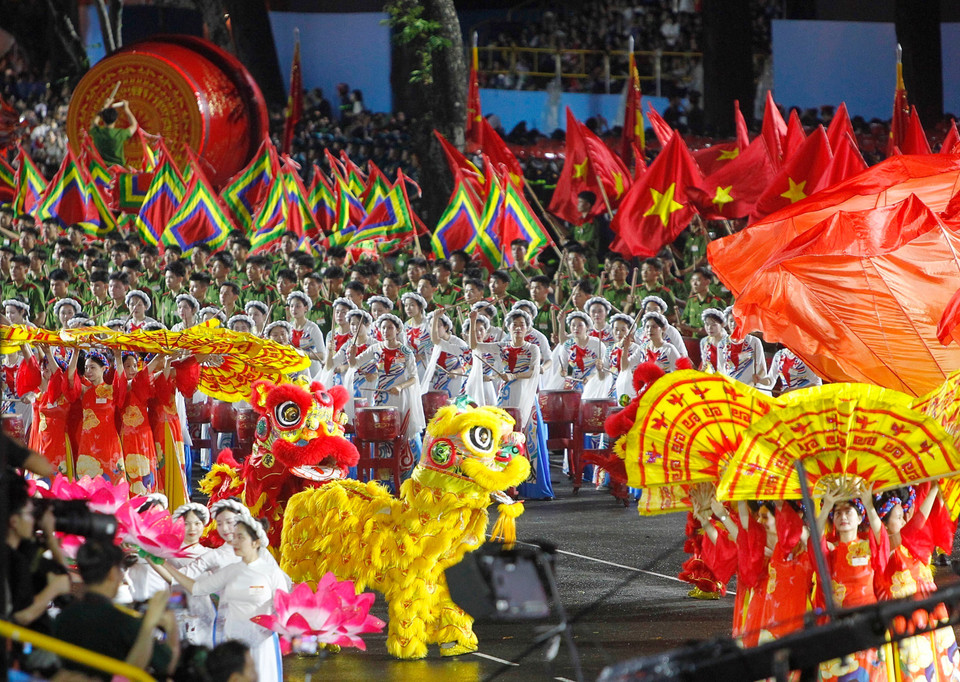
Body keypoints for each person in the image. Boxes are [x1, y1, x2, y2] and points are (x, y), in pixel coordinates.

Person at [158, 511, 290, 682]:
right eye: (234, 537)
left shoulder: (272, 573)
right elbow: (196, 588)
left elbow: (284, 608)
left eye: (240, 537)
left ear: (256, 542)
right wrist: (164, 565)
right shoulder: (231, 571)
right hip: (233, 642)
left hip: (262, 643)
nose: (234, 541)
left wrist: (267, 631)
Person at [54, 538, 179, 681]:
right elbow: (167, 664)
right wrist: (171, 628)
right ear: (113, 573)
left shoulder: (63, 617)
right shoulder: (126, 623)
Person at [469, 308, 554, 500]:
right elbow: (475, 346)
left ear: (527, 328)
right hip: (505, 395)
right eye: (514, 325)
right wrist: (473, 322)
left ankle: (529, 485)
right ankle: (503, 484)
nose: (518, 328)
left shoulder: (532, 348)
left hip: (525, 395)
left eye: (521, 325)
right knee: (503, 438)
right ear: (508, 327)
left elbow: (534, 371)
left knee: (527, 437)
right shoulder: (501, 347)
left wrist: (513, 375)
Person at [816, 483, 889, 681]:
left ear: (859, 518)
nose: (843, 517)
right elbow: (815, 540)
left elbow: (882, 538)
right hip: (837, 625)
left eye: (848, 511)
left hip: (867, 623)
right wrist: (825, 507)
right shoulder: (829, 552)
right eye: (837, 513)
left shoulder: (868, 548)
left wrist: (869, 504)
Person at [66, 349, 126, 483]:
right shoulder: (84, 390)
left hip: (108, 442)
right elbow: (70, 378)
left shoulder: (111, 389)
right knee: (87, 481)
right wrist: (75, 354)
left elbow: (121, 381)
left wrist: (118, 358)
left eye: (93, 367)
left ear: (104, 368)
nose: (88, 371)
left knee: (112, 480)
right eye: (86, 367)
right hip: (88, 442)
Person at [89, 98, 139, 168]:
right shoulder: (120, 134)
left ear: (102, 118)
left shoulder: (97, 132)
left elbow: (94, 122)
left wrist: (105, 106)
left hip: (100, 170)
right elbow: (134, 125)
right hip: (118, 170)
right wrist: (126, 109)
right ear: (116, 119)